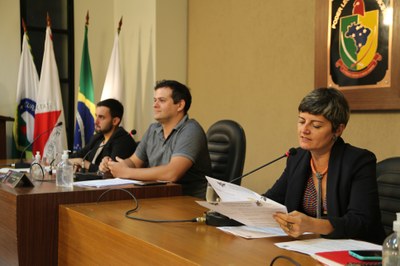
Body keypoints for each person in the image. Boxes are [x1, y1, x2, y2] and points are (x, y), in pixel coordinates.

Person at [264, 87, 385, 244]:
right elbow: (272, 200)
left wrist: (313, 225)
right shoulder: (297, 157)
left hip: (355, 250)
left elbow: (360, 222)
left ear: (338, 129)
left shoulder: (359, 161)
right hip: (309, 246)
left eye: (316, 125)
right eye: (301, 121)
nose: (304, 130)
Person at [99, 80, 212, 198]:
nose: (154, 105)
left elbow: (172, 173)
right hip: (160, 196)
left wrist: (126, 172)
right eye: (154, 100)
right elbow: (134, 162)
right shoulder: (153, 129)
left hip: (190, 201)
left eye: (161, 100)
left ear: (180, 105)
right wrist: (112, 166)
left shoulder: (191, 130)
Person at [70, 98, 137, 173]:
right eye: (96, 116)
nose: (96, 122)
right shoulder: (98, 138)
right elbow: (75, 156)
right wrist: (74, 162)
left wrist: (82, 163)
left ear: (115, 121)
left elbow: (111, 171)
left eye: (101, 117)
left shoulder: (123, 141)